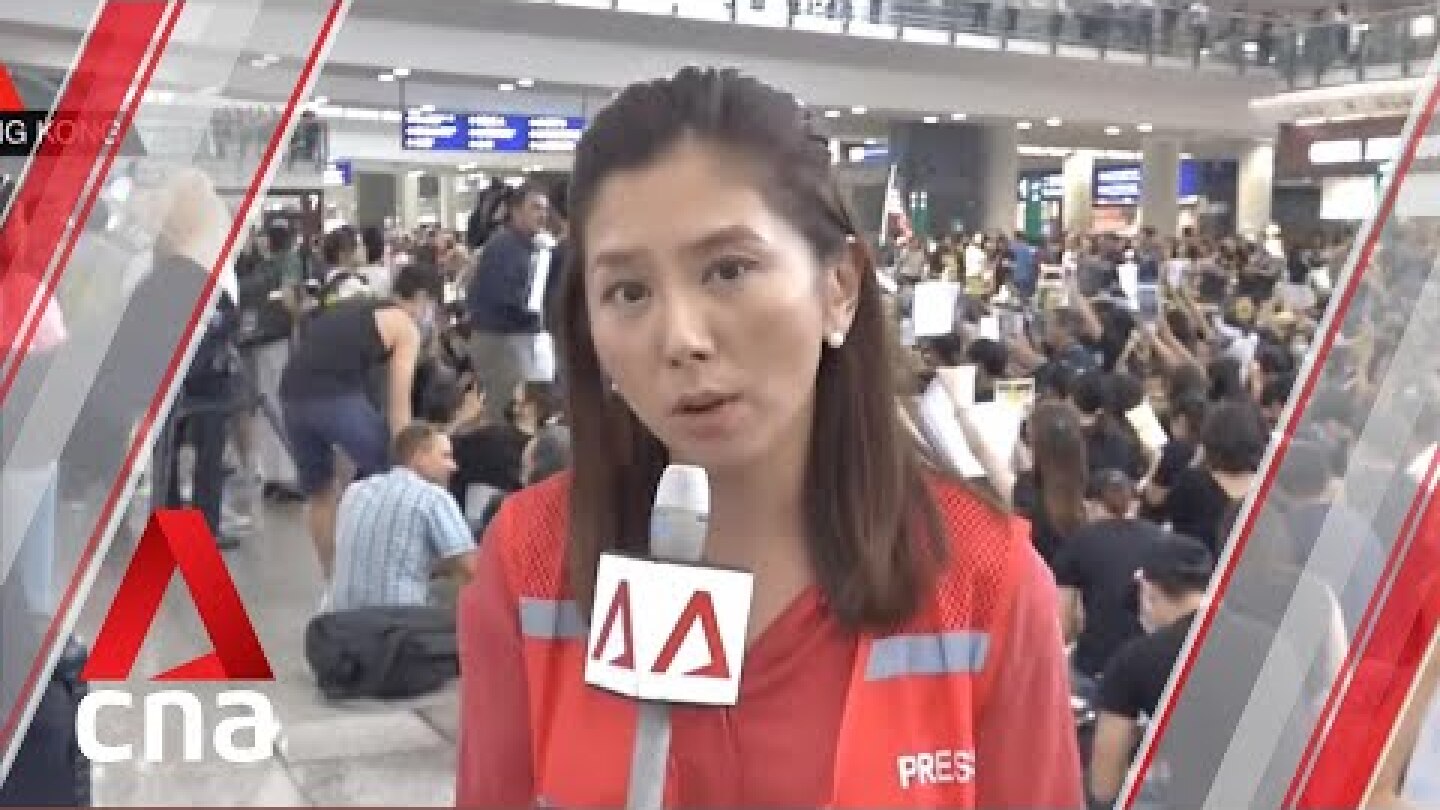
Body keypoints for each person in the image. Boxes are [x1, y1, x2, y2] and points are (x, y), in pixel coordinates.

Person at [456, 67, 1082, 809]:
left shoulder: (987, 582)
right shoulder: (528, 561)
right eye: (629, 291)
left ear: (840, 288)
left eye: (728, 270)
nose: (681, 338)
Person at [280, 262, 444, 578]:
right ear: (423, 298)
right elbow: (399, 405)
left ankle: (333, 581)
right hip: (333, 396)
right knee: (395, 473)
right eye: (432, 308)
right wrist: (407, 456)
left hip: (292, 395)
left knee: (320, 492)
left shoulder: (359, 309)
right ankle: (407, 566)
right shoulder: (404, 326)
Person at [327, 423, 478, 612]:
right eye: (445, 456)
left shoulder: (355, 490)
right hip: (398, 627)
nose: (454, 466)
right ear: (419, 457)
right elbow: (473, 570)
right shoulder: (433, 497)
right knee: (461, 588)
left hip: (337, 623)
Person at [1054, 469, 1170, 683]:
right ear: (1134, 503)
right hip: (1156, 661)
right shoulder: (1162, 538)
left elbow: (1063, 625)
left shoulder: (1079, 542)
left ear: (1090, 505)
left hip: (1098, 664)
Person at [466, 184, 552, 422]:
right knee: (502, 411)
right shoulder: (504, 248)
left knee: (516, 409)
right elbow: (510, 300)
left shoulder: (529, 247)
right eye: (535, 208)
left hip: (515, 340)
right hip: (500, 340)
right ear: (515, 211)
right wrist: (547, 313)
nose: (542, 215)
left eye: (545, 209)